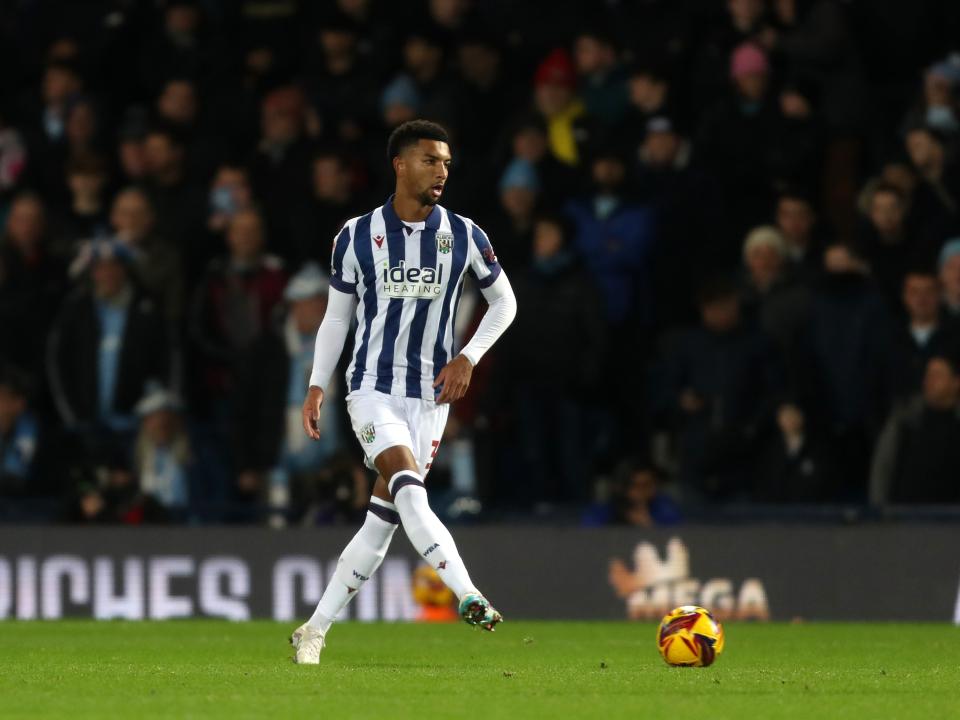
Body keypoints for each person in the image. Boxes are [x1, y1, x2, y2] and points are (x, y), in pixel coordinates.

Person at [291, 120, 517, 664]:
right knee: (410, 488)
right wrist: (317, 384)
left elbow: (505, 304)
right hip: (370, 387)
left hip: (430, 399)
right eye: (430, 160)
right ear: (400, 164)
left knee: (382, 522)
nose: (442, 171)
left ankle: (314, 629)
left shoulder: (465, 235)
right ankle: (468, 593)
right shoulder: (355, 235)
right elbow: (336, 320)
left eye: (446, 162)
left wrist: (468, 356)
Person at [870, 354, 960, 505]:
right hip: (904, 518)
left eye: (937, 375)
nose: (929, 381)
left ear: (956, 382)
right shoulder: (905, 420)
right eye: (928, 375)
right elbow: (883, 468)